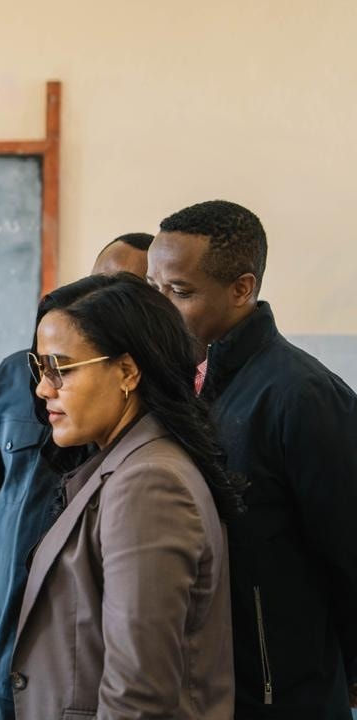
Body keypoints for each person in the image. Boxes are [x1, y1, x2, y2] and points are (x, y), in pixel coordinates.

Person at [147, 199, 357, 718]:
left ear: (242, 289)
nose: (159, 308)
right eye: (153, 289)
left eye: (180, 292)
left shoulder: (301, 395)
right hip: (205, 683)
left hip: (280, 691)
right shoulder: (175, 380)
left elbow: (348, 550)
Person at [0, 232, 153, 718]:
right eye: (101, 285)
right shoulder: (17, 379)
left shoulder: (156, 431)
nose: (48, 388)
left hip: (89, 678)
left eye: (134, 293)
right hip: (7, 660)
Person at [7, 273, 243, 718]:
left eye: (60, 368)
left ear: (127, 371)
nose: (43, 388)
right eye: (40, 368)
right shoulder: (126, 464)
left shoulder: (149, 483)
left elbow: (138, 694)